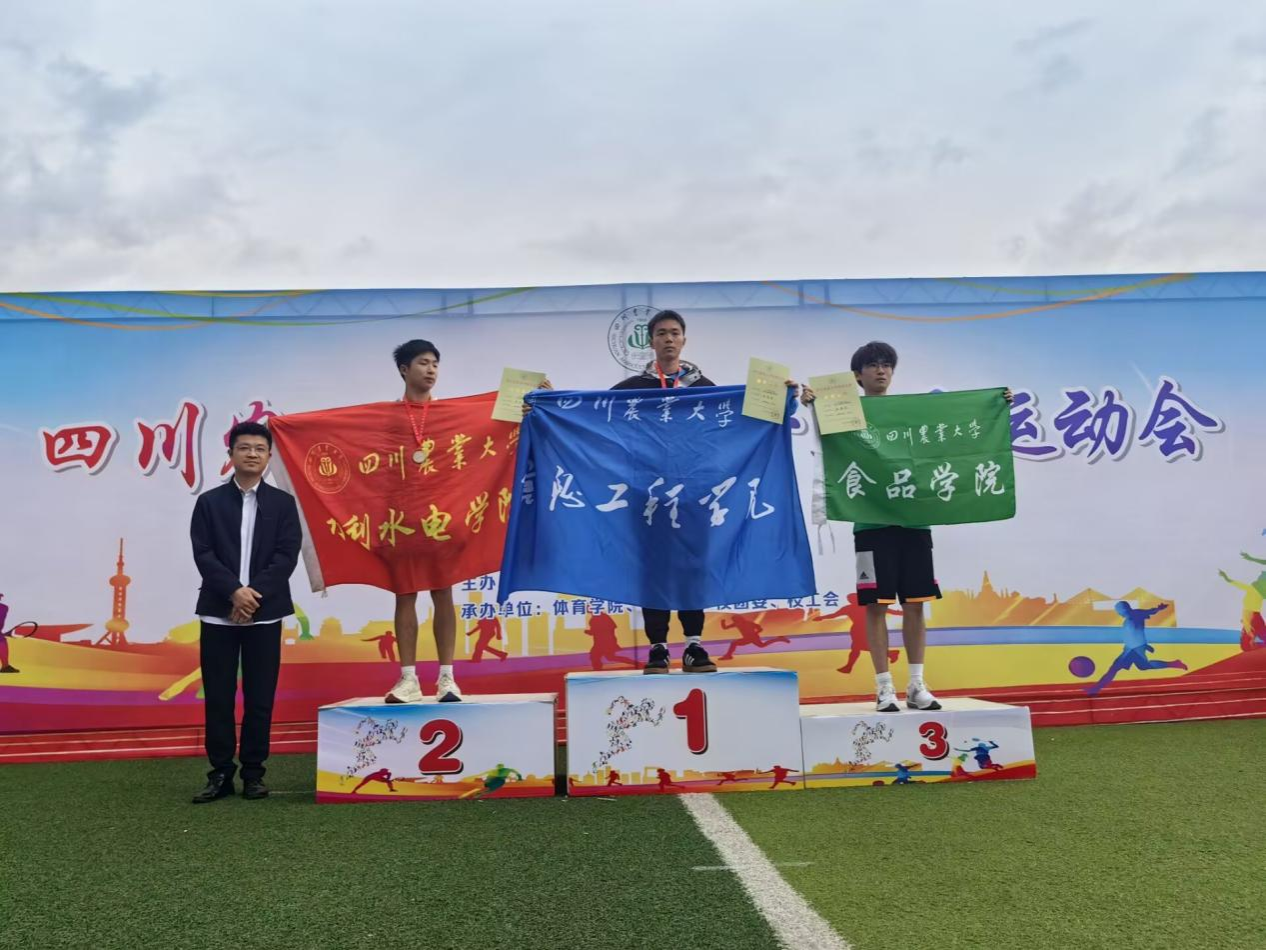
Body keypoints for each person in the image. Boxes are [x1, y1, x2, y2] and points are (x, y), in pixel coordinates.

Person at [801, 341, 1011, 713]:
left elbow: (960, 425)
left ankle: (916, 684)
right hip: (870, 524)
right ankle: (884, 687)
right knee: (876, 606)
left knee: (915, 604)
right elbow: (823, 439)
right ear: (858, 375)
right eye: (872, 365)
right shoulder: (843, 413)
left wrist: (997, 403)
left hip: (914, 521)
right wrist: (812, 404)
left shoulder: (912, 415)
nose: (881, 370)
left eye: (887, 364)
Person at [189, 421, 300, 803]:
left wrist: (253, 597)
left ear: (268, 457)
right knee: (219, 697)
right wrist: (234, 593)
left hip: (265, 614)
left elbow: (286, 556)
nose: (252, 454)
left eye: (259, 448)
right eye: (244, 447)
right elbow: (203, 553)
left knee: (260, 697)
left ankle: (254, 773)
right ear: (231, 454)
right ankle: (220, 774)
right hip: (218, 613)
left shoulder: (283, 504)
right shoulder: (209, 502)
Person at [611, 310, 719, 674]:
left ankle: (693, 645)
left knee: (692, 566)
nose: (668, 339)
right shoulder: (632, 389)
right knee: (652, 568)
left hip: (693, 494)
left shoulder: (705, 389)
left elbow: (736, 422)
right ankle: (657, 647)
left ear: (684, 340)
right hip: (648, 495)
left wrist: (780, 398)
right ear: (651, 341)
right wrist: (548, 402)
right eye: (661, 333)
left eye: (674, 333)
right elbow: (589, 415)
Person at [384, 339, 462, 704]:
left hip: (440, 516)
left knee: (443, 591)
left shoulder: (449, 414)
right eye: (422, 363)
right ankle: (408, 679)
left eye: (435, 363)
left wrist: (531, 400)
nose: (431, 370)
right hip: (400, 517)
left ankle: (447, 678)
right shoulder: (386, 417)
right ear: (404, 369)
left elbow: (495, 424)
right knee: (405, 593)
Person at [1084, 601, 1187, 696]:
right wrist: (1145, 645)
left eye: (1118, 611)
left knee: (1114, 668)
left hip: (1133, 649)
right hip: (1132, 647)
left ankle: (1095, 689)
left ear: (1122, 610)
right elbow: (1138, 628)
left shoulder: (1133, 616)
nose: (1119, 614)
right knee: (1144, 666)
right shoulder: (1134, 615)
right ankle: (1174, 663)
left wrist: (1158, 609)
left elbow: (1145, 618)